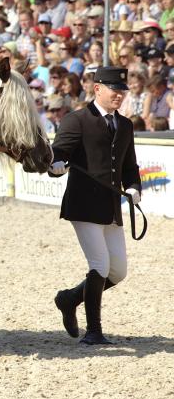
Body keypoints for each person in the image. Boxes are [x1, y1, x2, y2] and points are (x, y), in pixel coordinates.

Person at [49, 66, 142, 345]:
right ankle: (94, 331)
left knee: (118, 271)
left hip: (111, 207)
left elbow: (129, 164)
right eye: (115, 90)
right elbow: (58, 153)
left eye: (122, 91)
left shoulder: (125, 125)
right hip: (84, 204)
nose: (119, 95)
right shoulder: (76, 119)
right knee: (99, 265)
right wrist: (55, 165)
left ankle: (69, 298)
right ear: (97, 88)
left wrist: (134, 186)